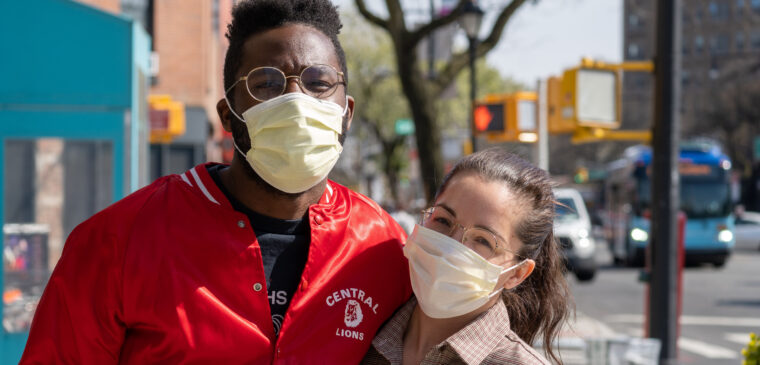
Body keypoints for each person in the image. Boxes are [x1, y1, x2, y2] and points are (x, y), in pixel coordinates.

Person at [20, 0, 411, 363]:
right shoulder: (118, 241)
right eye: (267, 84)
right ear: (228, 117)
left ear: (347, 113)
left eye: (319, 83)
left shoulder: (385, 248)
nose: (297, 101)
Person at [362, 148, 572, 365]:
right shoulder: (358, 333)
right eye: (443, 220)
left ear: (517, 274)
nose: (452, 246)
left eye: (483, 241)